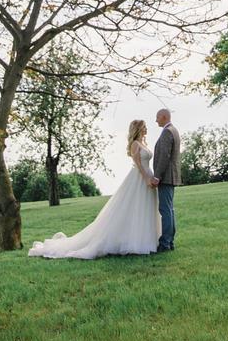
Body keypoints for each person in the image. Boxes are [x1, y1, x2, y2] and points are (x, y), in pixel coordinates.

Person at [27, 120, 160, 259]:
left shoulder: (144, 143)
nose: (146, 129)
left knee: (145, 208)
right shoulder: (135, 144)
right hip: (139, 178)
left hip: (148, 176)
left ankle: (146, 239)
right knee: (135, 207)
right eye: (144, 127)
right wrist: (146, 178)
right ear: (138, 129)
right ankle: (134, 243)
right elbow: (138, 164)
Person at [149, 107, 182, 252]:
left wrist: (157, 176)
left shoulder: (167, 132)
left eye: (157, 117)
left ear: (163, 117)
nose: (156, 120)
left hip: (166, 177)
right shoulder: (174, 130)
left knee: (165, 210)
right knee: (169, 210)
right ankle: (170, 242)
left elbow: (164, 156)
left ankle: (165, 243)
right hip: (171, 176)